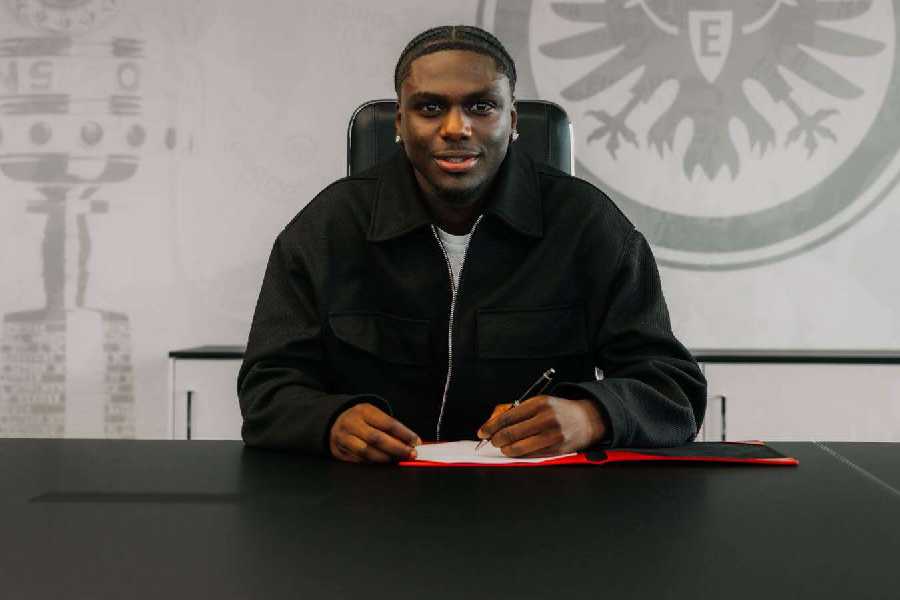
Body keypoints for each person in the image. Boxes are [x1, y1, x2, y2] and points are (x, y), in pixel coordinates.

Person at [237, 25, 706, 463]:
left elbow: (674, 389)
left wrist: (592, 415)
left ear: (512, 120)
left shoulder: (587, 224)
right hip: (370, 501)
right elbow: (267, 389)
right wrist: (329, 422)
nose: (456, 128)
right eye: (430, 108)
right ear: (399, 122)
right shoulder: (327, 227)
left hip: (541, 504)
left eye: (481, 107)